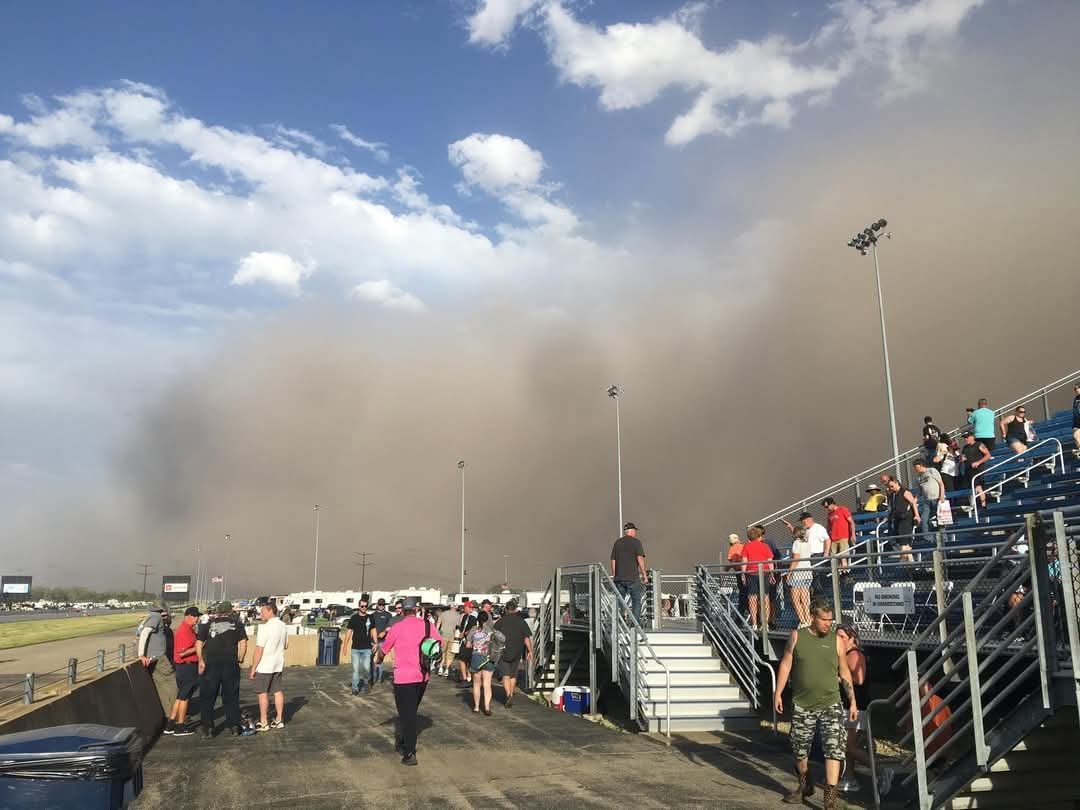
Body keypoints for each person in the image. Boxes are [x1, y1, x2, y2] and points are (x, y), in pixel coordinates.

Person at [773, 597, 859, 810]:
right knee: (799, 750)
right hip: (802, 704)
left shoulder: (836, 641)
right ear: (812, 616)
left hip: (831, 704)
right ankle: (805, 785)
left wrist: (853, 701)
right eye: (824, 620)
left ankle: (829, 800)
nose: (828, 624)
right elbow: (785, 665)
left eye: (831, 620)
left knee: (834, 749)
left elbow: (845, 672)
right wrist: (778, 692)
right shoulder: (797, 637)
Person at [376, 597, 434, 766]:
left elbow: (384, 649)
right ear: (416, 609)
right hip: (422, 676)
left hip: (403, 678)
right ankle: (403, 738)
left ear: (402, 610)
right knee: (411, 711)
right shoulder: (427, 625)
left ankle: (409, 752)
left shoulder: (397, 627)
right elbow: (439, 643)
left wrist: (378, 660)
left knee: (407, 715)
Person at [196, 602, 249, 738]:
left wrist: (201, 660)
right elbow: (243, 642)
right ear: (230, 611)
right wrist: (240, 658)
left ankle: (207, 728)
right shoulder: (237, 624)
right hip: (230, 663)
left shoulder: (206, 624)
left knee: (208, 696)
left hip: (211, 664)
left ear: (217, 612)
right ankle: (233, 726)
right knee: (231, 696)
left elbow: (199, 643)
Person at [836, 623, 869, 793]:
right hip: (848, 706)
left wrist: (840, 678)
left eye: (843, 637)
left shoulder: (854, 654)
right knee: (847, 748)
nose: (839, 640)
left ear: (852, 638)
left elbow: (859, 679)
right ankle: (850, 779)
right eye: (838, 636)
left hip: (857, 708)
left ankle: (881, 771)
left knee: (850, 748)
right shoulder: (844, 655)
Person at [249, 601, 287, 731]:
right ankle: (279, 719)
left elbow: (259, 649)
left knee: (262, 693)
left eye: (263, 611)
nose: (261, 614)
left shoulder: (264, 627)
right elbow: (286, 645)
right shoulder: (283, 625)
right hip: (278, 664)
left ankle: (264, 721)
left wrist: (253, 667)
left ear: (271, 610)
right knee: (277, 691)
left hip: (265, 665)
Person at [164, 606, 201, 736]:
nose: (197, 619)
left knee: (180, 697)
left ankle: (170, 724)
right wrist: (198, 646)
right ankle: (180, 726)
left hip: (184, 667)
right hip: (186, 667)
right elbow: (182, 653)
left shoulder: (188, 629)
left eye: (197, 616)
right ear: (188, 616)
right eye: (195, 616)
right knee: (184, 698)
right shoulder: (184, 630)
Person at [494, 599, 532, 708]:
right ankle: (511, 693)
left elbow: (494, 634)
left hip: (504, 651)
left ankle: (508, 694)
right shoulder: (521, 621)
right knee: (513, 675)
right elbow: (526, 638)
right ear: (515, 609)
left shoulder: (501, 621)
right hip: (517, 651)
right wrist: (530, 651)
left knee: (505, 675)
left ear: (506, 609)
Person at [610, 522, 647, 623]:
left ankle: (621, 619)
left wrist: (614, 574)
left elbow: (613, 560)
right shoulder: (636, 542)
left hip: (619, 578)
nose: (636, 532)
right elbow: (640, 558)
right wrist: (644, 575)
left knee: (620, 600)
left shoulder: (617, 543)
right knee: (636, 601)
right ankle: (635, 624)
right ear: (632, 531)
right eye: (635, 530)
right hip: (632, 578)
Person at [741, 527, 774, 629]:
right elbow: (770, 561)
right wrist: (772, 574)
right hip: (764, 573)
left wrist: (743, 574)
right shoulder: (765, 546)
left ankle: (755, 623)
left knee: (752, 598)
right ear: (759, 535)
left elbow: (744, 561)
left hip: (751, 574)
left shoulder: (746, 546)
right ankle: (766, 624)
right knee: (765, 598)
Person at [465, 611, 496, 715]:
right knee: (487, 684)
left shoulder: (474, 629)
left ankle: (477, 707)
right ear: (487, 619)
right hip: (488, 658)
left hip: (476, 658)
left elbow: (468, 645)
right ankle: (487, 708)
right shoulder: (492, 629)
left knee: (476, 684)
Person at [342, 598, 373, 695]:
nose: (364, 608)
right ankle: (355, 688)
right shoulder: (354, 618)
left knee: (367, 669)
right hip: (355, 649)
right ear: (359, 606)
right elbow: (349, 631)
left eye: (365, 606)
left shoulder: (370, 618)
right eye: (362, 606)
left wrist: (375, 642)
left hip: (367, 648)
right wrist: (345, 645)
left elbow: (373, 630)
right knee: (356, 670)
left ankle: (366, 684)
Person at [885, 477, 918, 560]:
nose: (891, 488)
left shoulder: (904, 492)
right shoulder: (893, 495)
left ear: (897, 483)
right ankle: (911, 562)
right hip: (897, 519)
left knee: (904, 543)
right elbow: (891, 507)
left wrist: (917, 515)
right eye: (890, 487)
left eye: (892, 486)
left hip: (906, 518)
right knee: (905, 545)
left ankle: (903, 561)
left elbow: (913, 502)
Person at [786, 527, 813, 627]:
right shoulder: (807, 543)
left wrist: (789, 572)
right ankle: (808, 620)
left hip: (798, 574)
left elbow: (796, 559)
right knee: (805, 599)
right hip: (807, 572)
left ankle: (803, 621)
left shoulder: (796, 543)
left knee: (796, 599)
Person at [912, 458, 945, 540]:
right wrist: (915, 498)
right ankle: (928, 538)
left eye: (916, 467)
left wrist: (941, 497)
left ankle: (943, 539)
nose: (915, 469)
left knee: (940, 520)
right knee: (923, 519)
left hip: (937, 499)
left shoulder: (932, 471)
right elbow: (919, 490)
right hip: (927, 501)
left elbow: (941, 484)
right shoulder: (918, 477)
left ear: (921, 465)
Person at [821, 498, 855, 570]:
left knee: (843, 558)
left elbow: (851, 522)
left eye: (827, 507)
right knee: (834, 560)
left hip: (843, 537)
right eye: (825, 507)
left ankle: (845, 574)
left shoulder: (842, 509)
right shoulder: (829, 514)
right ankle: (837, 577)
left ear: (832, 504)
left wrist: (853, 535)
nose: (826, 509)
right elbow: (829, 527)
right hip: (833, 539)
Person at [960, 431, 992, 509]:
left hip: (978, 470)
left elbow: (988, 455)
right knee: (973, 487)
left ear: (972, 437)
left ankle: (983, 505)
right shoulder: (965, 448)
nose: (966, 439)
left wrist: (978, 462)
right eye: (965, 438)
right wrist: (962, 459)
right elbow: (963, 457)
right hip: (968, 470)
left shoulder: (979, 445)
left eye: (967, 437)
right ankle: (977, 505)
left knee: (978, 486)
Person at [137, 607, 168, 674]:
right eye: (164, 615)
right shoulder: (156, 616)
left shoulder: (151, 616)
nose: (165, 617)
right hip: (155, 659)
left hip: (153, 659)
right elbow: (145, 633)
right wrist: (141, 655)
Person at [369, 598, 391, 686]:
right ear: (377, 605)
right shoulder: (372, 615)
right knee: (371, 660)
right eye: (380, 604)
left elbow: (390, 626)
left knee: (379, 661)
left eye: (382, 605)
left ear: (384, 605)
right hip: (373, 642)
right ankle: (373, 678)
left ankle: (379, 679)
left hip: (382, 641)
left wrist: (385, 632)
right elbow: (369, 627)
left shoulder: (388, 615)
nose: (381, 606)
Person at [455, 601, 479, 686]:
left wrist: (465, 633)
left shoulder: (473, 617)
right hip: (464, 640)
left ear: (469, 608)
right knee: (465, 659)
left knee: (465, 659)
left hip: (470, 641)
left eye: (465, 607)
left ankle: (467, 678)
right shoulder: (465, 616)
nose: (464, 609)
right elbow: (462, 627)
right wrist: (461, 632)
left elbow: (474, 628)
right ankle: (467, 677)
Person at [436, 604, 460, 677]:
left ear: (450, 606)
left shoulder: (443, 614)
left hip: (443, 635)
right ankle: (446, 669)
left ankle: (440, 668)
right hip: (452, 636)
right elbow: (458, 626)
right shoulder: (458, 615)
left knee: (443, 652)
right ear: (456, 607)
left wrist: (437, 633)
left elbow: (438, 623)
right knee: (450, 654)